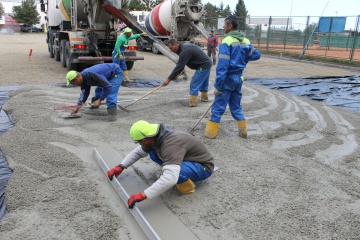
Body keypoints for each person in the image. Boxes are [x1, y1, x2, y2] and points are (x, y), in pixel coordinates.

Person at [107, 120, 214, 209]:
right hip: (184, 158)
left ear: (144, 140)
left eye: (138, 141)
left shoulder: (170, 145)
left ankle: (188, 188)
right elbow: (138, 152)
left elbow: (170, 178)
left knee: (176, 173)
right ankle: (173, 166)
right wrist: (121, 166)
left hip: (203, 166)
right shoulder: (154, 137)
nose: (139, 144)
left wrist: (144, 195)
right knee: (152, 153)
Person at [204, 15, 261, 139]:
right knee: (236, 107)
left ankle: (210, 134)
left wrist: (218, 85)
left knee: (218, 107)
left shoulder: (227, 41)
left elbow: (223, 66)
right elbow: (256, 55)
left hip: (227, 79)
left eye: (224, 24)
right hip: (238, 79)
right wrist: (243, 58)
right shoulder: (245, 41)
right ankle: (243, 132)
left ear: (230, 26)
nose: (223, 26)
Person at [162, 39, 213, 107]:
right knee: (204, 82)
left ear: (176, 44)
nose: (171, 50)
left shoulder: (185, 50)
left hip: (204, 65)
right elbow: (182, 63)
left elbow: (179, 66)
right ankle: (204, 99)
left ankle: (193, 103)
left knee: (195, 82)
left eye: (171, 48)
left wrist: (168, 79)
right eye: (170, 49)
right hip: (205, 63)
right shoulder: (182, 48)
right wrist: (177, 74)